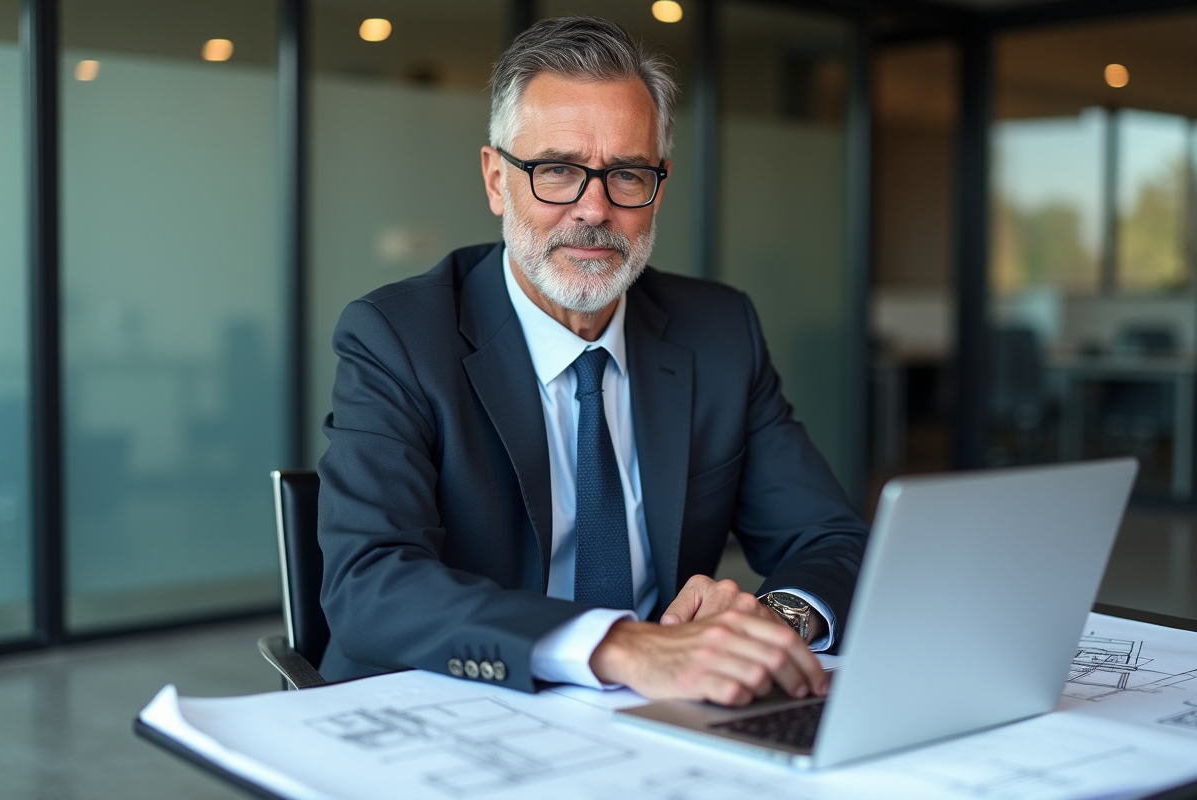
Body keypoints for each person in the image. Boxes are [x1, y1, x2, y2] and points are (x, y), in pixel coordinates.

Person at [317, 16, 868, 707]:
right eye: (556, 171)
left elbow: (831, 538)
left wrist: (772, 620)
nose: (594, 209)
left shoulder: (719, 330)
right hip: (453, 704)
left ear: (658, 188)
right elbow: (369, 583)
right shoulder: (397, 336)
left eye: (628, 174)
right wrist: (618, 644)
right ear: (496, 180)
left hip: (653, 714)